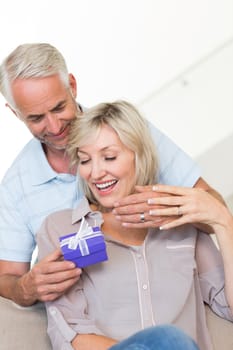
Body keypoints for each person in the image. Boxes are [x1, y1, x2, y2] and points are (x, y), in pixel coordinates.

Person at [0, 42, 225, 306]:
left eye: (59, 108)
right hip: (83, 316)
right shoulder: (17, 186)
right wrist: (25, 288)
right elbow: (8, 276)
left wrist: (172, 210)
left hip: (165, 297)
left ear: (72, 85)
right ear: (15, 114)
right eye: (36, 118)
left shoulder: (129, 131)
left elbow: (216, 209)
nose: (55, 126)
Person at [37, 100, 233, 350]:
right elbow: (70, 334)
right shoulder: (63, 229)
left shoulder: (183, 225)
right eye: (85, 160)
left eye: (109, 157)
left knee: (173, 339)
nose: (95, 173)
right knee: (168, 339)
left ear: (139, 155)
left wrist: (223, 222)